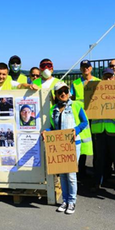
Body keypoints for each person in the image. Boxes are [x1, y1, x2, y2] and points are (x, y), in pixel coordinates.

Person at [42, 82, 88, 215]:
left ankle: (72, 201)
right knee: (62, 174)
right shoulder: (53, 110)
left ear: (69, 93)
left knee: (71, 174)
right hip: (59, 145)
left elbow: (84, 122)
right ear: (55, 95)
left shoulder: (76, 105)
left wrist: (76, 130)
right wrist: (46, 131)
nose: (63, 94)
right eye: (60, 92)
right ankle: (65, 200)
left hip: (73, 144)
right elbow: (53, 127)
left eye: (65, 91)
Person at [90, 68, 115, 194]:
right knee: (99, 158)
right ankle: (97, 182)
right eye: (105, 76)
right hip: (99, 130)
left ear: (114, 78)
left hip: (114, 130)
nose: (108, 79)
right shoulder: (95, 91)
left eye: (110, 77)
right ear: (102, 78)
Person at [70, 60, 98, 182]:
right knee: (82, 145)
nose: (85, 69)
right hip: (81, 118)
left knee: (97, 146)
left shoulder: (98, 82)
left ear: (91, 68)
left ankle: (97, 172)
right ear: (81, 69)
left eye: (87, 67)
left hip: (96, 118)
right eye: (83, 67)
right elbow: (71, 98)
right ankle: (80, 170)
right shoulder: (75, 83)